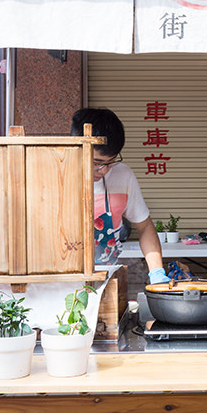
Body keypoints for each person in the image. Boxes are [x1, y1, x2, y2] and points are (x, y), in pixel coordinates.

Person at [71, 108, 169, 283]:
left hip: (106, 280)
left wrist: (157, 273)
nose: (104, 170)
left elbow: (145, 227)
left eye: (111, 162)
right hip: (62, 282)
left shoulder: (123, 175)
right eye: (97, 163)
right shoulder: (55, 174)